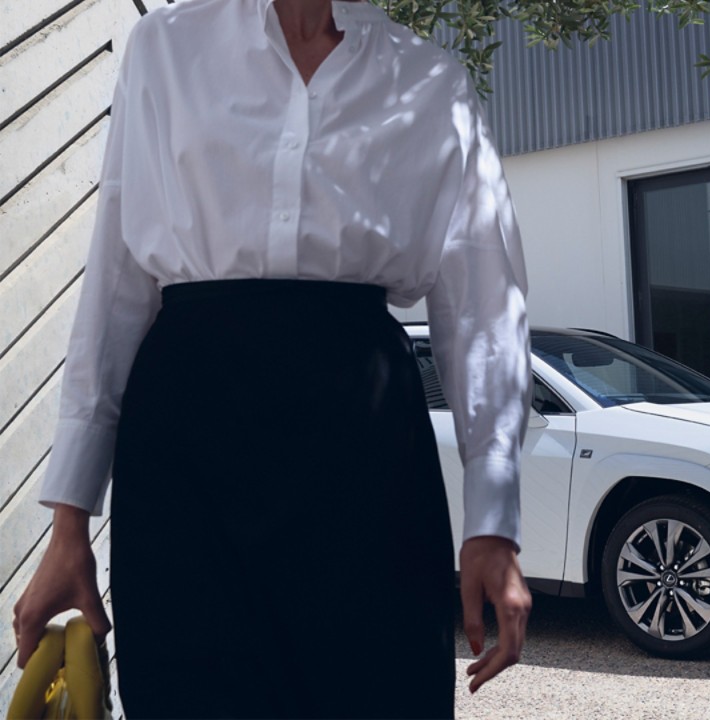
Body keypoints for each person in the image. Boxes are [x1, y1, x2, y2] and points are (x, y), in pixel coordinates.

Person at [10, 0, 533, 716]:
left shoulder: (431, 81)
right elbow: (118, 284)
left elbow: (483, 312)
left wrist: (493, 524)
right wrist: (69, 525)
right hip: (184, 461)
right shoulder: (164, 47)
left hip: (366, 459)